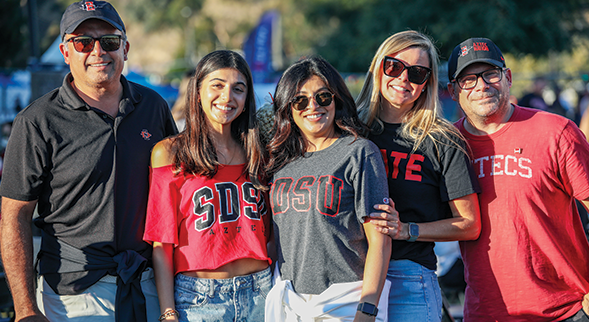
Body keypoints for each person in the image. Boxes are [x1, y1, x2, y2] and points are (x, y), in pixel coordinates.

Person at [0, 0, 177, 321]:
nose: (98, 51)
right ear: (66, 51)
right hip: (73, 294)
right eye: (83, 42)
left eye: (109, 41)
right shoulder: (37, 121)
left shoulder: (153, 106)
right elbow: (14, 217)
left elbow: (178, 190)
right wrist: (25, 309)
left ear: (125, 48)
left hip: (148, 284)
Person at [446, 37, 589, 321]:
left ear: (507, 77)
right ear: (453, 91)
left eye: (490, 74)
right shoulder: (447, 145)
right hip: (486, 313)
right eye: (468, 79)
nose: (482, 86)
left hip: (565, 311)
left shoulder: (555, 132)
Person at [355, 30, 481, 322]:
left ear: (427, 83)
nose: (403, 79)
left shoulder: (442, 139)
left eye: (417, 73)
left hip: (408, 276)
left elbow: (469, 224)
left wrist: (408, 230)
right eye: (394, 66)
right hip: (347, 275)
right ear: (378, 68)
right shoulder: (349, 130)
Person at [143, 50, 272, 322]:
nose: (227, 97)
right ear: (198, 91)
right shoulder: (170, 153)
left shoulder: (259, 152)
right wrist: (168, 312)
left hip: (262, 292)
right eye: (217, 85)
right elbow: (162, 244)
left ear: (247, 99)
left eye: (238, 89)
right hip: (200, 300)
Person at [265, 55, 392, 321]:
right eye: (300, 100)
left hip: (345, 301)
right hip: (290, 302)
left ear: (336, 99)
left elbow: (379, 240)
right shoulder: (279, 161)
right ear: (288, 108)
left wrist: (367, 309)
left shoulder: (359, 153)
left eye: (323, 97)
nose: (313, 106)